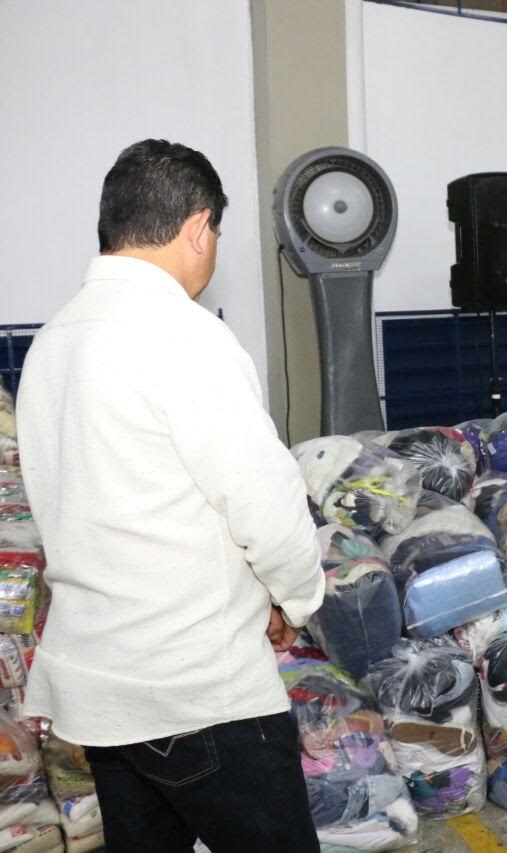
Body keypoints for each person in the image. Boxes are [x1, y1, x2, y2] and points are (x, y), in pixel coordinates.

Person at [16, 140, 325, 851]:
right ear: (198, 227)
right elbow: (266, 504)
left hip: (100, 691)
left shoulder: (52, 342)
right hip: (198, 693)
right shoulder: (184, 335)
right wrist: (295, 599)